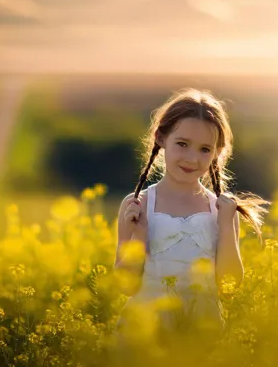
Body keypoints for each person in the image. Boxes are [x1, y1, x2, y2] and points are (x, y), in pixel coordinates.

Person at [114, 88, 269, 343]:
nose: (192, 158)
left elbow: (229, 286)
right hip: (142, 337)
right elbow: (124, 285)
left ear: (217, 152)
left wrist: (227, 225)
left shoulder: (221, 209)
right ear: (161, 138)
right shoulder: (137, 204)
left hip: (200, 340)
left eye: (204, 149)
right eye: (182, 144)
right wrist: (139, 233)